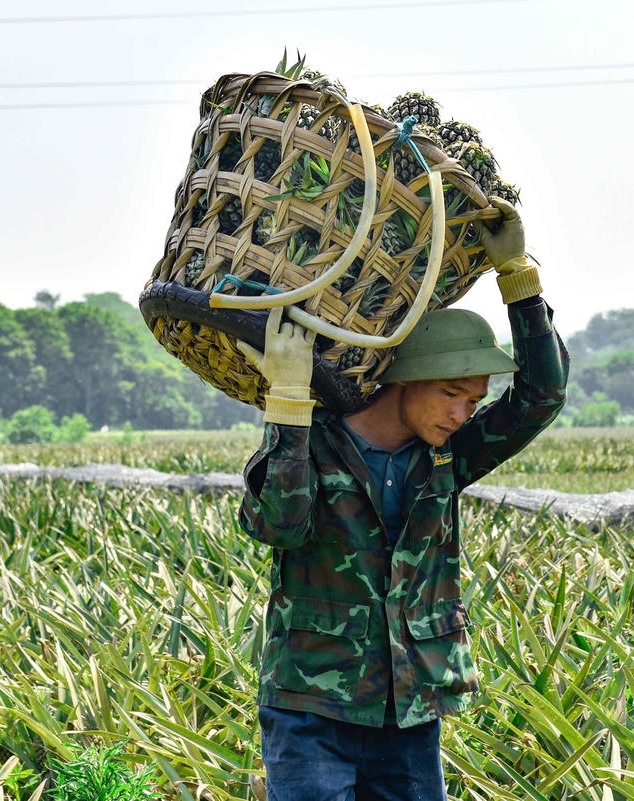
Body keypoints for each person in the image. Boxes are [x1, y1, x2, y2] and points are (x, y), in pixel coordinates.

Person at [236, 198, 569, 800]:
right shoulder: (313, 440)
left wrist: (517, 275)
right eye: (450, 394)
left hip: (410, 709)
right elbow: (278, 527)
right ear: (405, 380)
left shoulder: (447, 456)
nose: (462, 413)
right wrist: (286, 402)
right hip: (313, 707)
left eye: (472, 400)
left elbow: (541, 396)